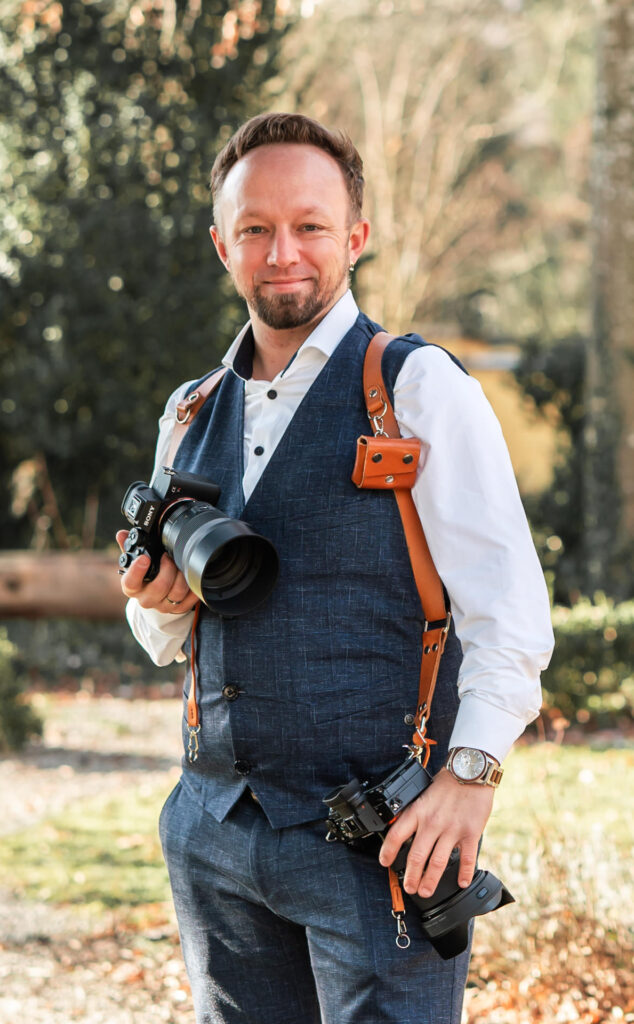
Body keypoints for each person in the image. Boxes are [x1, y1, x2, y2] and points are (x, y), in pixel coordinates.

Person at [117, 112, 554, 1024]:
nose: (284, 252)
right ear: (221, 245)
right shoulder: (190, 410)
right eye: (255, 229)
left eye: (310, 225)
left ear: (354, 237)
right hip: (213, 832)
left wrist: (470, 781)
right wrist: (157, 603)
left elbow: (508, 615)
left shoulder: (419, 388)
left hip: (378, 842)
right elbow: (164, 641)